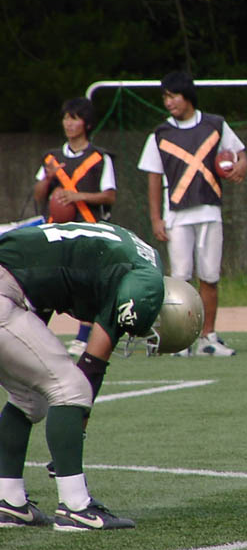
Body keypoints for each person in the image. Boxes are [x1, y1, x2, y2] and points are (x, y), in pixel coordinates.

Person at [0, 221, 164, 530]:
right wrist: (76, 430)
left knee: (29, 397)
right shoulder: (140, 278)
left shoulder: (125, 250)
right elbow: (92, 365)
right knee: (71, 387)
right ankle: (75, 507)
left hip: (9, 281)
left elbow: (41, 278)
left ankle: (9, 501)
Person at [137, 70, 247, 357]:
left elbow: (240, 154)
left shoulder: (215, 125)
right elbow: (153, 177)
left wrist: (240, 166)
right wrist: (155, 219)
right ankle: (180, 340)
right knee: (180, 280)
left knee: (210, 277)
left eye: (173, 96)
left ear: (187, 96)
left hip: (210, 211)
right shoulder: (160, 134)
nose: (168, 102)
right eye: (165, 97)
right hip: (177, 215)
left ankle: (208, 338)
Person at [33, 97, 116, 358]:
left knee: (86, 282)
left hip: (88, 229)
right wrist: (47, 179)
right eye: (66, 118)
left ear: (87, 124)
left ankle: (83, 337)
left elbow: (109, 196)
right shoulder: (52, 158)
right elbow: (38, 195)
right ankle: (38, 336)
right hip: (56, 230)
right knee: (48, 281)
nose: (68, 123)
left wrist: (78, 197)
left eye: (75, 118)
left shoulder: (100, 158)